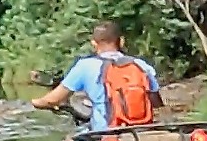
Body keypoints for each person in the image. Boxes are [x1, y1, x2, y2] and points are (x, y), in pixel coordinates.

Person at [30, 21, 165, 133]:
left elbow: (52, 100)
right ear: (121, 42)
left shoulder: (85, 66)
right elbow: (157, 103)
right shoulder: (141, 65)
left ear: (94, 44)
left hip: (105, 132)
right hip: (141, 131)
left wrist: (36, 102)